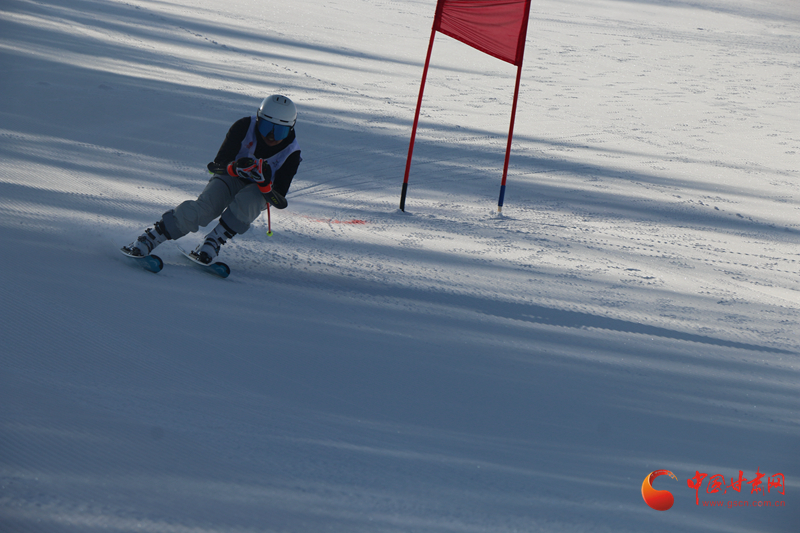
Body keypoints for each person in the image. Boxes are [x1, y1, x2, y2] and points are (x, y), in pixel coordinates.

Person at [122, 94, 302, 263]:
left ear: (291, 129)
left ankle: (214, 240)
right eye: (266, 127)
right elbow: (216, 166)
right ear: (257, 120)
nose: (271, 136)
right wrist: (234, 167)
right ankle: (152, 237)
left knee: (250, 201)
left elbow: (279, 200)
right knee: (206, 207)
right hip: (230, 178)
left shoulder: (291, 153)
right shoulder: (243, 127)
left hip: (258, 191)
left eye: (280, 131)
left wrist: (265, 184)